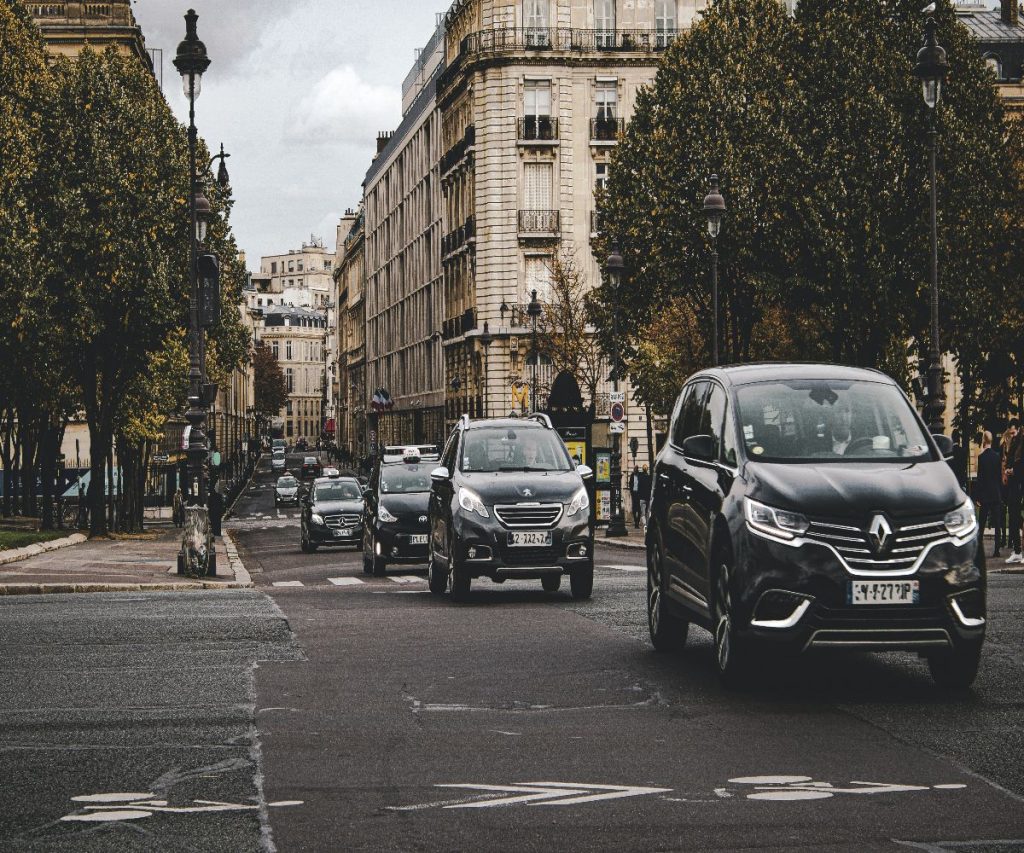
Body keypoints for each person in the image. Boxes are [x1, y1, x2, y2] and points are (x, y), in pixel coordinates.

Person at [975, 431, 1002, 559]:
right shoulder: (997, 456)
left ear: (983, 441)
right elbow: (998, 477)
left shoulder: (981, 458)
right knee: (997, 523)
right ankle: (997, 550)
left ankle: (979, 549)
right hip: (995, 493)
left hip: (985, 495)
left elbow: (980, 479)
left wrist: (978, 497)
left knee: (982, 522)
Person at [1003, 420, 1023, 564]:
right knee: (1014, 518)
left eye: (1014, 432)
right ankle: (1017, 551)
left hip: (1019, 484)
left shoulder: (1020, 443)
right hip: (1014, 485)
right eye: (1010, 433)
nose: (1012, 435)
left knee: (1018, 518)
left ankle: (1019, 551)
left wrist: (1014, 471)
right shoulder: (1014, 443)